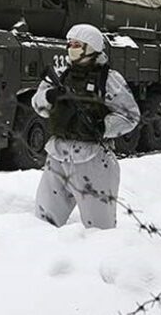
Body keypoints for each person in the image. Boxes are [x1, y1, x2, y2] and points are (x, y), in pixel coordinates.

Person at [32, 24, 140, 229]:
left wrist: (103, 127)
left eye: (77, 44)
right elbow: (38, 105)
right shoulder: (60, 74)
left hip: (93, 159)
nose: (71, 47)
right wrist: (48, 96)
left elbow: (130, 116)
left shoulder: (109, 80)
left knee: (100, 228)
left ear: (91, 47)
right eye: (70, 43)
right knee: (44, 223)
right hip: (57, 155)